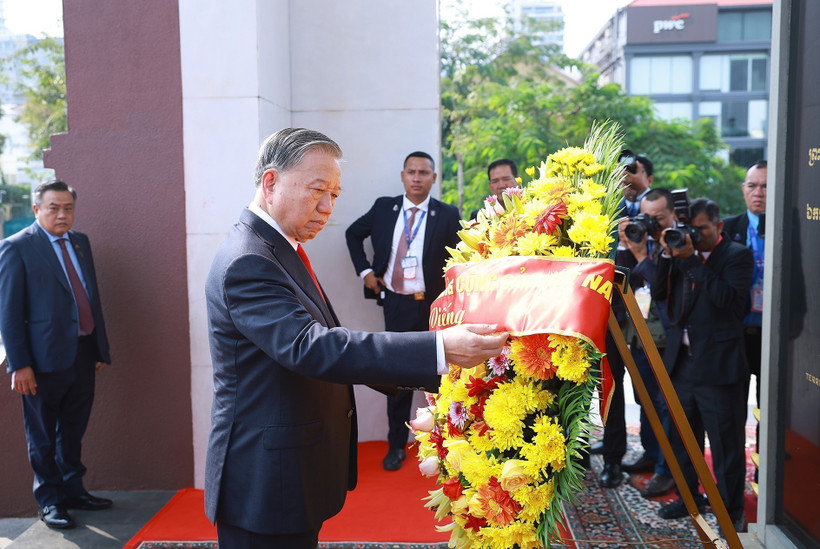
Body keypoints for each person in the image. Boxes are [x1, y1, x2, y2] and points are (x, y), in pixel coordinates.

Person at [205, 128, 508, 549]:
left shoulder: (278, 248)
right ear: (271, 182)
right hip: (264, 480)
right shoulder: (249, 260)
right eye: (318, 191)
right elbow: (313, 348)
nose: (328, 207)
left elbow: (328, 342)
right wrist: (438, 348)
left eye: (335, 195)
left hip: (288, 472)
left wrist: (441, 382)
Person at [0, 180, 112, 530]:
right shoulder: (16, 248)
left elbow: (89, 296)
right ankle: (49, 501)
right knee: (43, 434)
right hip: (41, 361)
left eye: (68, 208)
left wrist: (97, 347)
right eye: (54, 207)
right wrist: (20, 364)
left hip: (82, 354)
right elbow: (8, 313)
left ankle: (73, 490)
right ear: (36, 209)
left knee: (73, 430)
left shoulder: (80, 242)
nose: (62, 214)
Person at [345, 151, 461, 471]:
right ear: (402, 175)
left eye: (424, 172)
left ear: (434, 178)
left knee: (440, 373)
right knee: (396, 375)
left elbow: (460, 258)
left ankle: (445, 444)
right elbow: (353, 233)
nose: (417, 178)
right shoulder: (385, 207)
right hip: (396, 302)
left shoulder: (448, 214)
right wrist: (365, 272)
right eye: (411, 172)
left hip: (434, 305)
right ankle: (397, 444)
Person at [652, 198, 753, 533]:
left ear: (719, 226)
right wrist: (667, 254)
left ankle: (729, 513)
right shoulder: (679, 251)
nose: (693, 235)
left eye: (701, 229)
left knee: (725, 446)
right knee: (681, 439)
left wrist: (693, 260)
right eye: (688, 229)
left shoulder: (737, 255)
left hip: (720, 368)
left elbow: (729, 304)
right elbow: (657, 292)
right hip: (682, 366)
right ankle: (689, 499)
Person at [592, 150, 653, 489]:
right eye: (618, 171)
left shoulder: (651, 207)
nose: (625, 176)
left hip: (648, 314)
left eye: (632, 170)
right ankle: (613, 458)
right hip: (611, 311)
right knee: (611, 387)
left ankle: (654, 454)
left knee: (649, 387)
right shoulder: (602, 210)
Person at [616, 188, 677, 497]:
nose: (651, 225)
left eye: (659, 219)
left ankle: (668, 470)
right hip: (638, 334)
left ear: (673, 215)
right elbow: (623, 276)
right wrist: (626, 243)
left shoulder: (677, 242)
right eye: (645, 218)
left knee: (666, 406)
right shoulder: (639, 238)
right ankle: (651, 454)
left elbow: (664, 288)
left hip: (666, 339)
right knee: (644, 399)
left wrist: (641, 253)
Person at [722, 160, 766, 408]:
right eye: (753, 185)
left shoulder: (792, 227)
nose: (758, 192)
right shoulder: (726, 228)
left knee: (769, 406)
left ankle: (766, 448)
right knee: (732, 406)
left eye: (766, 186)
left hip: (773, 334)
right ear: (743, 188)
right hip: (734, 331)